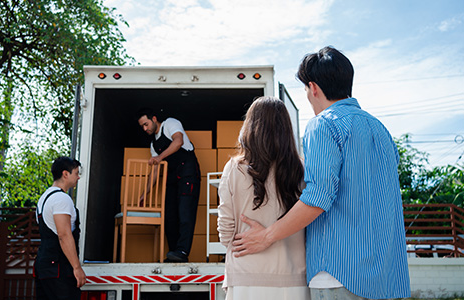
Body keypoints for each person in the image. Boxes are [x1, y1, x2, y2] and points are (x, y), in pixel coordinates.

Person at [231, 46, 411, 299]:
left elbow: (318, 197)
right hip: (386, 276)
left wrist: (267, 236)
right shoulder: (380, 129)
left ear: (313, 88)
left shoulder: (323, 124)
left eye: (305, 89)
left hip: (339, 272)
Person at [218, 96, 310, 300]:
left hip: (246, 278)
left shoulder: (234, 169)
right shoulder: (302, 169)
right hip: (294, 280)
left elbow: (226, 233)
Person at [137, 108, 201, 262]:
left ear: (154, 118)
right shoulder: (154, 144)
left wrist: (160, 157)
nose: (145, 129)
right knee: (170, 217)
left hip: (188, 173)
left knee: (185, 213)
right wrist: (144, 193)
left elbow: (178, 142)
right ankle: (174, 253)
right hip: (172, 179)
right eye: (142, 127)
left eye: (146, 124)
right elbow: (155, 171)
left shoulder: (170, 123)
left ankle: (183, 252)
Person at [34, 156, 86, 300]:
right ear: (65, 174)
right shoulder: (61, 199)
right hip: (58, 269)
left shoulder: (44, 198)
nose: (78, 177)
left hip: (43, 266)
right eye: (76, 173)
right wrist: (77, 268)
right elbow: (64, 235)